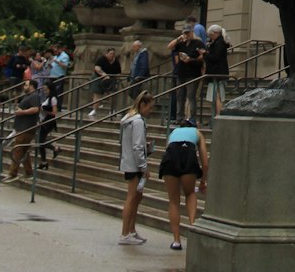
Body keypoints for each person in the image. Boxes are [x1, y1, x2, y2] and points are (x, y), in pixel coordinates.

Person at [158, 117, 208, 251]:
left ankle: (176, 241)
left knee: (173, 201)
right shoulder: (197, 133)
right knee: (190, 193)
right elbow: (205, 161)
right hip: (188, 157)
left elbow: (167, 150)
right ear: (194, 126)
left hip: (171, 158)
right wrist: (203, 180)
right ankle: (192, 226)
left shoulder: (173, 133)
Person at [118, 90, 155, 245]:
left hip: (129, 161)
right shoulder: (138, 121)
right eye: (150, 107)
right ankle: (125, 233)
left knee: (136, 197)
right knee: (132, 198)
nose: (151, 111)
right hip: (134, 164)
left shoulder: (129, 119)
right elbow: (137, 146)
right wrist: (143, 166)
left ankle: (131, 230)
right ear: (143, 105)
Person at [167, 24, 205, 123]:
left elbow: (203, 56)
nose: (186, 35)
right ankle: (179, 117)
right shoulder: (181, 44)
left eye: (188, 33)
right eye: (185, 33)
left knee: (191, 96)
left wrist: (191, 59)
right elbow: (170, 47)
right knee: (180, 96)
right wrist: (179, 38)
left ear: (192, 32)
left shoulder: (198, 43)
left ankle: (192, 118)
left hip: (193, 73)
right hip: (181, 73)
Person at [6, 79, 42, 180]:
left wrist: (22, 112)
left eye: (26, 85)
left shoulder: (34, 96)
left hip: (26, 127)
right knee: (24, 150)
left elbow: (35, 109)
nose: (24, 87)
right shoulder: (28, 96)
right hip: (22, 127)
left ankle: (12, 173)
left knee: (17, 149)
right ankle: (29, 172)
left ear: (32, 86)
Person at [203, 25, 230, 116]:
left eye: (211, 35)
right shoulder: (218, 42)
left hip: (217, 73)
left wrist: (205, 55)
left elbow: (216, 57)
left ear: (216, 33)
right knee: (214, 97)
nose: (210, 37)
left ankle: (218, 115)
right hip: (216, 72)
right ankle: (215, 116)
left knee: (217, 96)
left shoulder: (220, 43)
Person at [89, 47, 122, 119]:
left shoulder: (116, 62)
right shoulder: (102, 59)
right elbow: (97, 68)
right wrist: (103, 74)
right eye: (110, 53)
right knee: (97, 94)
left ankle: (112, 110)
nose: (112, 55)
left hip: (111, 79)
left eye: (113, 54)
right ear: (107, 54)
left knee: (111, 94)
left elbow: (118, 72)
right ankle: (94, 110)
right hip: (99, 78)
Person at [37, 86, 59, 168]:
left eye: (46, 89)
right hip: (44, 121)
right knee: (41, 142)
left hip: (48, 122)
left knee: (41, 141)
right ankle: (44, 161)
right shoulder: (47, 98)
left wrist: (44, 110)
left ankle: (54, 149)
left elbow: (54, 112)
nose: (45, 91)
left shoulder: (52, 99)